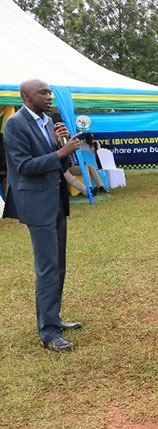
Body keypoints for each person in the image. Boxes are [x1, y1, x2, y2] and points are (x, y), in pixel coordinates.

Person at [3, 79, 83, 352]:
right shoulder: (15, 124)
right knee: (47, 266)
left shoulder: (48, 122)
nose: (49, 96)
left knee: (58, 264)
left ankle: (53, 318)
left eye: (49, 92)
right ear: (26, 96)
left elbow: (62, 163)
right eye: (43, 93)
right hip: (36, 204)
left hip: (55, 199)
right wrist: (60, 151)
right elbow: (24, 166)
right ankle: (48, 333)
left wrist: (62, 145)